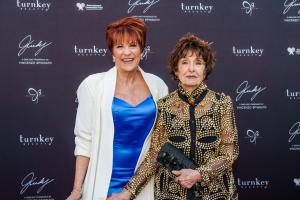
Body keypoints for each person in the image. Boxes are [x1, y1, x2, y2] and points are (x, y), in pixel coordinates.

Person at [111, 33, 239, 200]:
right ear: (176, 69)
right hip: (172, 193)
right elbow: (155, 153)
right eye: (185, 63)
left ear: (205, 69)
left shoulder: (221, 103)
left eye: (198, 63)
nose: (191, 69)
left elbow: (229, 153)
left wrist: (198, 174)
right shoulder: (164, 105)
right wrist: (128, 192)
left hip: (215, 193)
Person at [66, 17, 168, 200]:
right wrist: (76, 189)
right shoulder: (92, 86)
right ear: (112, 52)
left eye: (133, 45)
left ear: (142, 50)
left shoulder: (158, 86)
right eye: (119, 46)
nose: (127, 53)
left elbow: (160, 145)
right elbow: (84, 141)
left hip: (143, 184)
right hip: (103, 184)